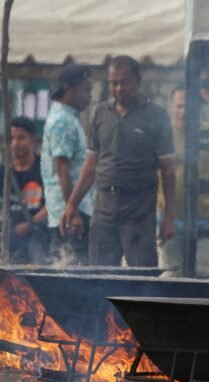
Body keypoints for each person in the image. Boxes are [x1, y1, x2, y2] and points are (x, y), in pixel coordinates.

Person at [61, 56, 175, 268]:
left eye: (125, 83)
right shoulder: (100, 113)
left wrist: (169, 216)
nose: (119, 88)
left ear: (138, 81)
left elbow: (167, 170)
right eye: (114, 83)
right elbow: (91, 164)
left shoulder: (156, 116)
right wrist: (72, 205)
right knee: (99, 276)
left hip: (140, 209)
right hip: (104, 206)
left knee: (143, 278)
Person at [158, 85, 209, 276]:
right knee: (172, 276)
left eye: (188, 106)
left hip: (206, 217)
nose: (183, 112)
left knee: (206, 276)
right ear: (171, 106)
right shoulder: (162, 135)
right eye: (178, 106)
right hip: (171, 218)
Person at [41, 64, 94, 265]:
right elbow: (63, 171)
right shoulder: (63, 121)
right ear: (68, 88)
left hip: (69, 210)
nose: (89, 96)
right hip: (69, 215)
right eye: (85, 90)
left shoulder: (68, 118)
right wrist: (74, 212)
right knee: (72, 270)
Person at [0, 117, 49, 264]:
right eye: (12, 138)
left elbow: (52, 205)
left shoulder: (45, 168)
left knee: (40, 268)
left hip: (37, 233)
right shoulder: (1, 172)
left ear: (32, 139)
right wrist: (4, 224)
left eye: (21, 138)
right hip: (9, 234)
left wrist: (30, 224)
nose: (16, 143)